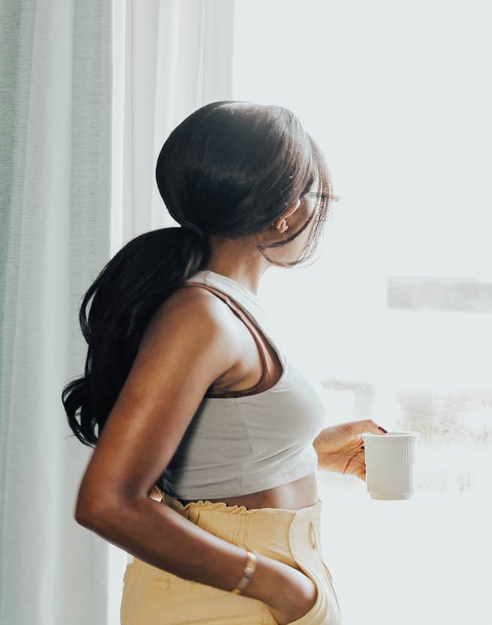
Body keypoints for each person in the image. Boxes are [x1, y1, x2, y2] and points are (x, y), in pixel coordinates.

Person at [64, 101, 387, 624]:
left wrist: (305, 453)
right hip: (225, 600)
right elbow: (106, 502)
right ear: (289, 211)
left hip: (254, 586)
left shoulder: (226, 306)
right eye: (317, 197)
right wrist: (280, 586)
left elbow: (213, 456)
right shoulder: (202, 315)